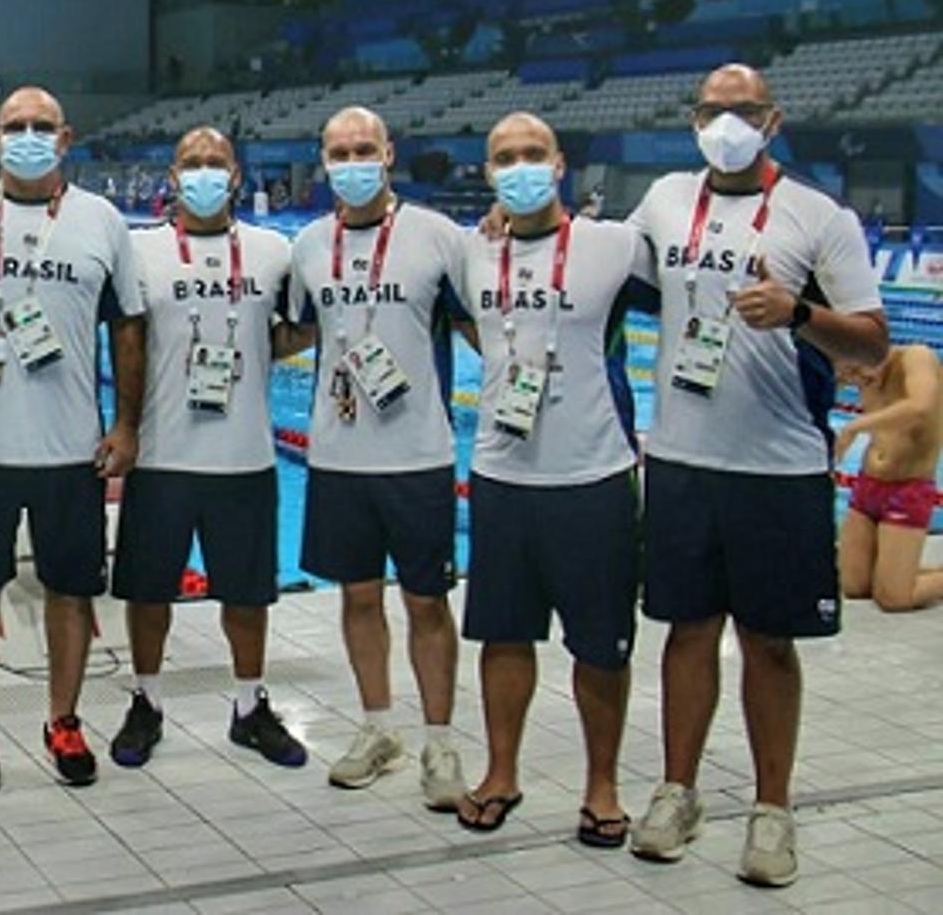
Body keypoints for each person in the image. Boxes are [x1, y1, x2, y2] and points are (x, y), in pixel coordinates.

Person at [625, 64, 888, 886]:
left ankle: (772, 810)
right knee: (686, 633)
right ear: (693, 117)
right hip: (679, 460)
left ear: (772, 120)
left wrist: (801, 314)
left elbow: (873, 345)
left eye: (742, 110)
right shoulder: (664, 198)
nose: (726, 123)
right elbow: (609, 277)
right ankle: (679, 791)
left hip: (777, 467)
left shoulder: (819, 216)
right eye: (712, 110)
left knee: (769, 643)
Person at [0, 87, 146, 789]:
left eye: (42, 126)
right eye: (15, 126)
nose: (28, 135)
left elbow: (128, 328)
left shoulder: (102, 221)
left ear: (67, 136)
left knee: (71, 594)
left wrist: (126, 425)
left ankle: (64, 720)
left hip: (68, 453)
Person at [452, 114, 649, 843]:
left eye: (533, 154)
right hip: (502, 475)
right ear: (488, 172)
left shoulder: (616, 246)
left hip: (594, 475)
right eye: (505, 158)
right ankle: (501, 772)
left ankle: (602, 786)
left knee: (600, 644)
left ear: (560, 164)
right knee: (504, 637)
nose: (520, 167)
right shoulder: (469, 252)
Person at [286, 107, 468, 810]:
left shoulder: (438, 238)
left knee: (427, 602)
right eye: (339, 150)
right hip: (336, 454)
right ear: (324, 159)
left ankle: (441, 738)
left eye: (365, 148)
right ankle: (377, 725)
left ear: (389, 153)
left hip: (417, 453)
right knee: (358, 598)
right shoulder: (306, 244)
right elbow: (300, 331)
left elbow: (482, 326)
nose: (352, 159)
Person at [109, 127, 307, 769]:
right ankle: (146, 701)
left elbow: (292, 331)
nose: (202, 173)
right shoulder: (140, 251)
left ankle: (250, 706)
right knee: (148, 591)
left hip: (244, 456)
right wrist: (126, 428)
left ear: (236, 176)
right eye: (191, 164)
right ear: (172, 175)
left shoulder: (274, 250)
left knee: (248, 595)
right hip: (163, 455)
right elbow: (129, 342)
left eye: (214, 163)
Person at [836, 343, 942, 611]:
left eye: (858, 371)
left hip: (907, 489)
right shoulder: (859, 372)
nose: (857, 380)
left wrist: (854, 428)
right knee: (854, 587)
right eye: (849, 376)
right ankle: (903, 569)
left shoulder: (916, 357)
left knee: (894, 599)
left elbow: (921, 406)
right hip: (867, 486)